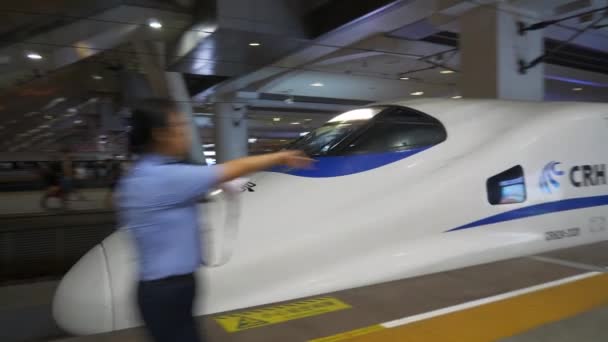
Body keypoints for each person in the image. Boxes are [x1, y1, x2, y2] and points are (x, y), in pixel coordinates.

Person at [117, 98, 312, 342]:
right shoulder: (161, 177)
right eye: (180, 126)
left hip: (167, 288)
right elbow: (232, 168)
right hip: (167, 291)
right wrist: (281, 156)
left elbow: (193, 186)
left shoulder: (147, 173)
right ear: (160, 134)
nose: (186, 133)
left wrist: (217, 183)